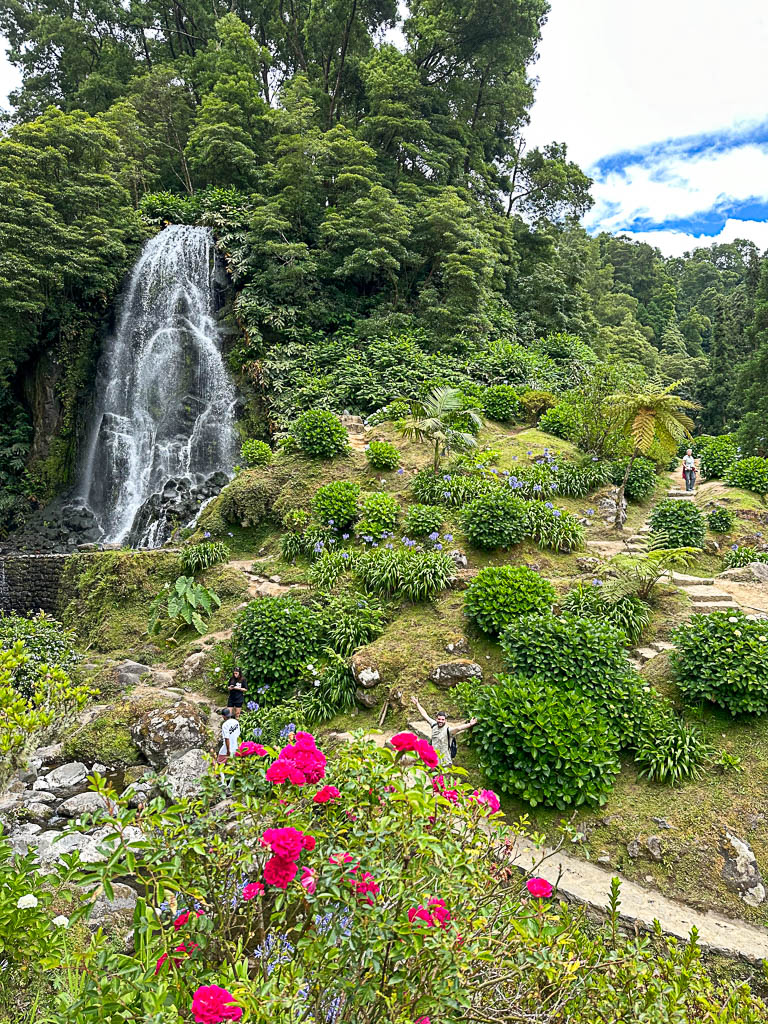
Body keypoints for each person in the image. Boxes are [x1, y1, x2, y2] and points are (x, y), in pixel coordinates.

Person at [410, 696, 477, 766]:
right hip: (434, 760)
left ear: (445, 720)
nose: (440, 721)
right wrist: (417, 704)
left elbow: (458, 728)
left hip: (445, 762)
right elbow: (424, 715)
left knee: (444, 776)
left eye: (442, 719)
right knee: (432, 776)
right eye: (439, 719)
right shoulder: (434, 725)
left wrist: (470, 724)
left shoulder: (449, 730)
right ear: (436, 719)